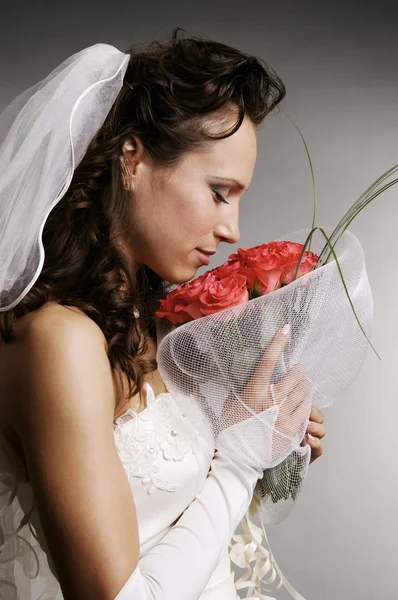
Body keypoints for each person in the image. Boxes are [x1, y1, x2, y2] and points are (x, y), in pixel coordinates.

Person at [0, 28, 325, 600]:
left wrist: (269, 437)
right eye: (220, 191)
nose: (233, 230)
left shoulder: (144, 326)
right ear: (133, 159)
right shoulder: (60, 339)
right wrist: (240, 458)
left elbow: (190, 524)